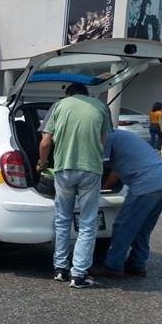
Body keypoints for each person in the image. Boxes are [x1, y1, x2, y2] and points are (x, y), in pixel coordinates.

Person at [37, 82, 112, 288]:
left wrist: (42, 163)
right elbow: (103, 140)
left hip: (63, 169)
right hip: (90, 169)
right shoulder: (100, 107)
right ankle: (78, 274)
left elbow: (45, 142)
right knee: (87, 223)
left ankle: (60, 269)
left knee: (62, 219)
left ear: (68, 94)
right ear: (86, 94)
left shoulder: (59, 106)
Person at [91, 129, 162, 278]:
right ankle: (137, 264)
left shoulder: (107, 137)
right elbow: (116, 171)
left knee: (124, 226)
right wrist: (105, 188)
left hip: (145, 184)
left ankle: (113, 266)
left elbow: (95, 163)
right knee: (143, 227)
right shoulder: (122, 136)